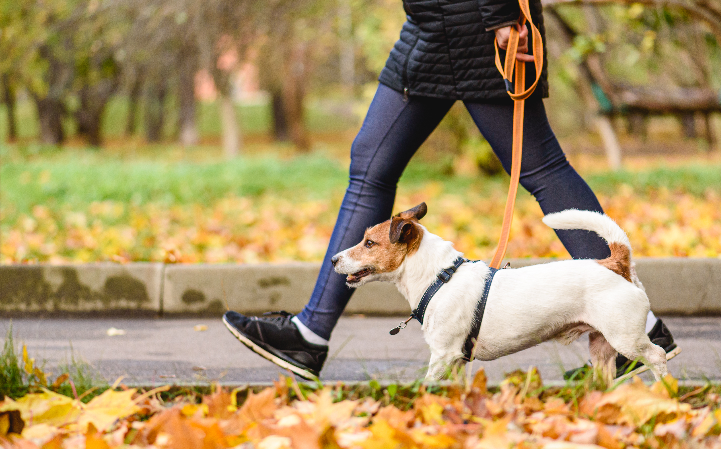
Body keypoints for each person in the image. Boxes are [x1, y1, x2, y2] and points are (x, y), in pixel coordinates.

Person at [223, 0, 678, 380]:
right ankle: (311, 333)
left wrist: (501, 13)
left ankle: (636, 323)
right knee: (371, 165)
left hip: (476, 24)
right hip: (431, 25)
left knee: (540, 167)